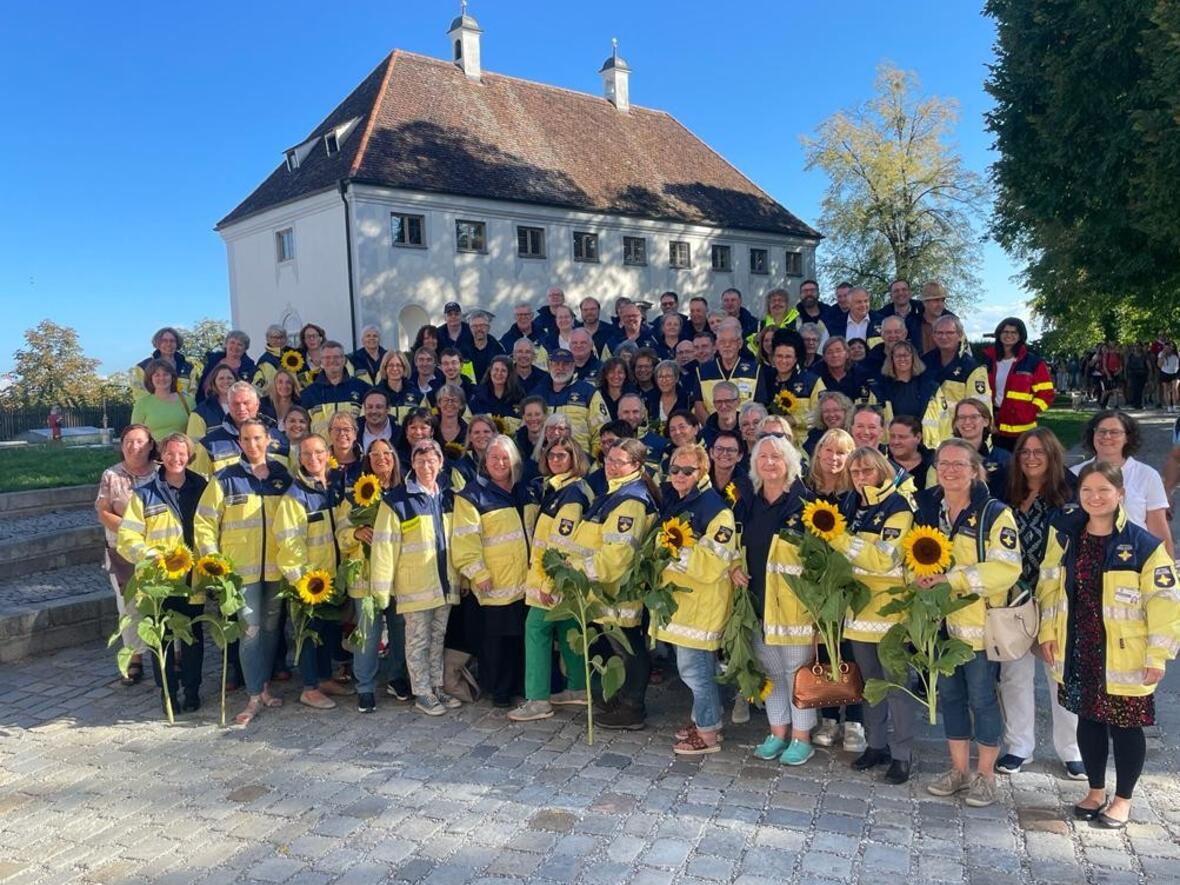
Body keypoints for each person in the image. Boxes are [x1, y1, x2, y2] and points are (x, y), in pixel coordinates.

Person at [1038, 461, 1180, 828]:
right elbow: (1049, 587)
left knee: (1126, 727)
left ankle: (1123, 799)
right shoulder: (1066, 536)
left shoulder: (1143, 545)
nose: (1095, 497)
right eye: (1087, 490)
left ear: (1120, 494)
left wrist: (1158, 655)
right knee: (1088, 721)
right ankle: (1095, 789)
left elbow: (1165, 604)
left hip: (1125, 653)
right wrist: (1048, 632)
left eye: (1104, 490)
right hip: (1078, 646)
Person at [917, 439, 1022, 807]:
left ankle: (985, 776)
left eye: (959, 464)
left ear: (975, 470)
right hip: (939, 626)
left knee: (982, 699)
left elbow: (1005, 569)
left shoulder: (995, 514)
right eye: (943, 463)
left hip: (980, 628)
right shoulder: (930, 508)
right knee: (950, 698)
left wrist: (952, 580)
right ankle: (959, 771)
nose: (949, 470)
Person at [994, 429, 1085, 778]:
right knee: (1014, 675)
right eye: (1025, 452)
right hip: (1013, 597)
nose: (1031, 458)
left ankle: (1072, 750)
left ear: (1052, 455)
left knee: (1060, 675)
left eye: (1039, 452)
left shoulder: (1071, 492)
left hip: (1057, 598)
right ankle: (1019, 747)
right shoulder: (1006, 490)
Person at [194, 418, 293, 726]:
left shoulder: (282, 476)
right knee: (250, 631)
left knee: (271, 629)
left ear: (268, 440)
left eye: (257, 438)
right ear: (239, 443)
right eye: (246, 439)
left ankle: (263, 687)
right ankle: (252, 696)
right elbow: (204, 522)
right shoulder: (225, 478)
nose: (252, 444)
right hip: (240, 572)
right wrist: (213, 560)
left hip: (276, 569)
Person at [833, 447, 918, 784]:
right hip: (858, 612)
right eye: (855, 472)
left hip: (891, 613)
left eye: (867, 471)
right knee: (871, 685)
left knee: (896, 686)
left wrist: (841, 540)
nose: (861, 477)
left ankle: (902, 755)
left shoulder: (898, 507)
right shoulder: (851, 505)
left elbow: (884, 559)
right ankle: (876, 745)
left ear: (882, 471)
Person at [732, 434, 816, 765]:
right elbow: (734, 544)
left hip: (794, 605)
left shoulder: (805, 505)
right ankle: (777, 733)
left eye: (776, 457)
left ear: (789, 463)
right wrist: (733, 568)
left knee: (797, 672)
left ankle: (801, 737)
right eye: (762, 456)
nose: (769, 462)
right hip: (757, 602)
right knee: (770, 670)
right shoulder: (747, 501)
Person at [567, 438, 659, 730]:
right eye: (609, 460)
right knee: (621, 647)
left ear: (636, 465)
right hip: (604, 589)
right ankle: (621, 698)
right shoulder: (617, 491)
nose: (612, 466)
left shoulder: (631, 500)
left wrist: (580, 569)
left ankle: (632, 707)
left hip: (618, 590)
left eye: (620, 462)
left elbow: (618, 555)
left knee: (629, 649)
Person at [653, 443, 738, 755]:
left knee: (696, 671)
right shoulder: (678, 501)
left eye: (687, 470)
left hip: (703, 603)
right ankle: (705, 719)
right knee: (695, 669)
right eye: (675, 469)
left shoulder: (716, 510)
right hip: (682, 604)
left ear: (702, 472)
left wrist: (672, 553)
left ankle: (708, 733)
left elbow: (713, 563)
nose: (679, 475)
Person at [116, 433, 208, 713]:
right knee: (162, 639)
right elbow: (128, 537)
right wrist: (149, 555)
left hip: (192, 578)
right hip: (158, 581)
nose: (175, 458)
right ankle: (167, 692)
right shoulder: (144, 493)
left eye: (181, 453)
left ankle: (192, 691)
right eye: (170, 453)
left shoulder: (203, 487)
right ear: (161, 455)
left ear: (189, 456)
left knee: (192, 638)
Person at [508, 438, 594, 722]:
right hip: (564, 578)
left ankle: (537, 700)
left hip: (554, 578)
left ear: (574, 458)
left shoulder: (571, 495)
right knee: (568, 628)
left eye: (562, 455)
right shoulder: (562, 488)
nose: (556, 460)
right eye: (552, 455)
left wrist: (549, 583)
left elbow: (561, 543)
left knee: (536, 630)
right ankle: (578, 687)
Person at [274, 433, 354, 711]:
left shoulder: (334, 486)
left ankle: (324, 679)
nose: (313, 458)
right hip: (309, 580)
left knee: (327, 632)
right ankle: (309, 688)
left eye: (319, 452)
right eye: (307, 454)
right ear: (299, 459)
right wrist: (300, 580)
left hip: (331, 577)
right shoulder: (295, 495)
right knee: (308, 635)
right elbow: (289, 541)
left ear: (327, 454)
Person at [453, 436, 535, 707]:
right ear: (484, 461)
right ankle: (499, 692)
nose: (500, 463)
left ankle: (519, 687)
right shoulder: (472, 495)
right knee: (496, 641)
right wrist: (478, 573)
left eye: (505, 458)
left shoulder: (525, 491)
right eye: (494, 457)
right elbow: (465, 541)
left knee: (519, 639)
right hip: (494, 581)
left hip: (525, 582)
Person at [335, 438, 407, 710]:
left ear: (394, 457)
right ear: (367, 460)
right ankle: (365, 686)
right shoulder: (355, 495)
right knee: (368, 632)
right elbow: (340, 532)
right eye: (375, 455)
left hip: (398, 574)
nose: (381, 459)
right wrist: (355, 533)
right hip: (365, 575)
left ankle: (397, 677)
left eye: (386, 453)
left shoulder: (405, 492)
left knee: (400, 630)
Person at [95, 424, 157, 685]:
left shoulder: (161, 472)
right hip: (122, 549)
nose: (134, 446)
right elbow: (103, 512)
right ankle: (135, 657)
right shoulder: (111, 475)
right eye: (129, 441)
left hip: (157, 548)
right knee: (129, 605)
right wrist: (133, 529)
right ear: (122, 445)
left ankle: (172, 653)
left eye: (140, 441)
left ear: (150, 444)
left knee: (164, 601)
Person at [1071, 411, 1173, 559]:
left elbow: (1158, 529)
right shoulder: (1074, 474)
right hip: (1086, 559)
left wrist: (1168, 567)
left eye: (1115, 432)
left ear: (1127, 438)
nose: (1107, 436)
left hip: (1136, 560)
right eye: (1101, 431)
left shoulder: (1147, 476)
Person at [983, 317, 1055, 450]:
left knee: (1022, 461)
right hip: (994, 424)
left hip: (1022, 427)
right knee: (996, 461)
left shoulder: (1033, 362)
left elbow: (1046, 393)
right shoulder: (988, 361)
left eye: (1014, 332)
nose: (1009, 335)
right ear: (999, 334)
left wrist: (1030, 411)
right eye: (1005, 332)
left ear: (1020, 336)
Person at [922, 315, 991, 448]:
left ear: (959, 335)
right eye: (939, 333)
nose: (944, 337)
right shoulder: (925, 362)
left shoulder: (972, 368)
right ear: (933, 336)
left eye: (949, 333)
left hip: (960, 438)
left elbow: (981, 409)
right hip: (930, 438)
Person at [538, 349, 605, 454]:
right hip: (546, 457)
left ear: (573, 366)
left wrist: (594, 459)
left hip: (580, 457)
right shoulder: (538, 393)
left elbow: (601, 431)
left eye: (566, 364)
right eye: (556, 363)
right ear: (549, 366)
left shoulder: (588, 392)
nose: (560, 368)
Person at [942, 399, 1011, 498]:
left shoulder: (1004, 459)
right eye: (962, 417)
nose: (967, 422)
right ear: (956, 423)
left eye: (974, 417)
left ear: (986, 421)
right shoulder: (944, 458)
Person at [754, 338, 817, 446]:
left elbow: (818, 416)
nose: (783, 361)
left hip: (804, 445)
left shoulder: (812, 381)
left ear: (795, 359)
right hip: (770, 444)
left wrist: (794, 420)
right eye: (779, 356)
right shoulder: (763, 380)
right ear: (773, 358)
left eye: (788, 357)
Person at [301, 341, 369, 437]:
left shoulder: (362, 388)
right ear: (321, 361)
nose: (332, 360)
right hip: (321, 446)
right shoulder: (308, 394)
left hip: (353, 446)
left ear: (344, 360)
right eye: (327, 357)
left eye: (336, 357)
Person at [696, 318, 760, 415]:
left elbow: (759, 404)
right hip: (711, 423)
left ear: (740, 343)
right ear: (717, 345)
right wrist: (711, 424)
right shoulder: (703, 371)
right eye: (722, 341)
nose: (727, 345)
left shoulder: (755, 370)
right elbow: (699, 406)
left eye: (732, 341)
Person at [131, 358, 193, 441]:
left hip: (181, 448)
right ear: (150, 379)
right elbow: (135, 434)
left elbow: (194, 432)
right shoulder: (142, 404)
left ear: (172, 377)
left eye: (166, 374)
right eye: (157, 375)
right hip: (153, 449)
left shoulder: (188, 401)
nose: (162, 378)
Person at [133, 327, 201, 402]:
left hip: (182, 408)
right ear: (157, 343)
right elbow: (139, 392)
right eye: (164, 341)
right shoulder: (144, 367)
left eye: (172, 341)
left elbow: (193, 392)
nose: (169, 344)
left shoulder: (189, 368)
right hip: (153, 408)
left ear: (177, 344)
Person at [878, 341, 938, 426]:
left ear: (913, 358)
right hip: (893, 434)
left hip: (923, 434)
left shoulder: (930, 386)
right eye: (898, 356)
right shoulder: (881, 387)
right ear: (891, 359)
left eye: (906, 355)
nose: (902, 359)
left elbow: (943, 420)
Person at [469, 355, 524, 435]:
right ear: (490, 371)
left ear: (509, 373)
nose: (499, 373)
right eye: (496, 369)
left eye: (503, 371)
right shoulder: (478, 394)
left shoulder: (519, 395)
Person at [195, 330, 257, 400]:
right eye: (232, 342)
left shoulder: (249, 368)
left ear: (245, 349)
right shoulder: (212, 361)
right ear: (226, 344)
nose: (235, 346)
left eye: (240, 344)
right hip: (206, 404)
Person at [186, 364, 235, 442]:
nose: (226, 381)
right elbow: (194, 443)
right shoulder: (201, 412)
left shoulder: (246, 407)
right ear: (214, 382)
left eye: (230, 378)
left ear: (236, 381)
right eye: (221, 378)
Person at [373, 351, 424, 424]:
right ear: (385, 368)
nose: (395, 368)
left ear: (404, 368)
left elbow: (425, 421)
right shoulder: (374, 395)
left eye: (399, 365)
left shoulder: (417, 394)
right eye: (390, 365)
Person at [887, 416, 933, 492]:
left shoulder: (934, 463)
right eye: (892, 436)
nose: (896, 442)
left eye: (902, 437)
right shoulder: (880, 462)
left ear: (918, 437)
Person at [802, 391, 854, 458]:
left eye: (836, 410)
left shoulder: (853, 434)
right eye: (826, 411)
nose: (831, 414)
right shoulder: (814, 436)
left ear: (846, 412)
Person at [466, 310, 505, 383]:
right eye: (475, 326)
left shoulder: (498, 350)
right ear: (470, 329)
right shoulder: (461, 350)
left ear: (488, 328)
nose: (479, 329)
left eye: (482, 325)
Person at [357, 389, 396, 454]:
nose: (374, 411)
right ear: (364, 409)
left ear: (388, 409)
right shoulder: (354, 432)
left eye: (379, 407)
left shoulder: (400, 434)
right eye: (370, 407)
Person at [1157, 342, 1178, 412]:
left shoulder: (1176, 354)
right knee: (1166, 389)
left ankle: (1174, 405)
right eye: (1166, 348)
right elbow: (1159, 365)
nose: (1167, 349)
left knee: (1174, 389)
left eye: (1169, 348)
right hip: (1165, 372)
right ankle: (1169, 406)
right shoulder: (1161, 354)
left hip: (1174, 372)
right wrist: (1163, 356)